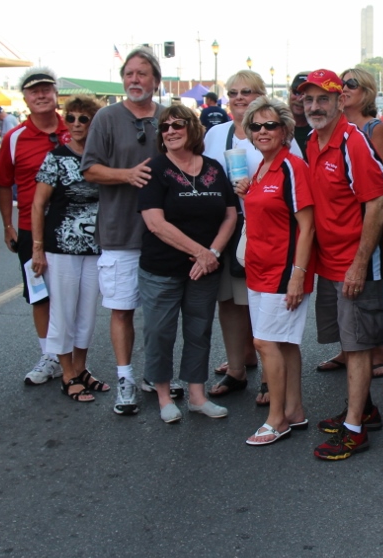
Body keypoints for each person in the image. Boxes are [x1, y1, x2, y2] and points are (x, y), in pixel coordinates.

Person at [301, 68, 383, 461]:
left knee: (357, 346)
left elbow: (377, 204)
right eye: (309, 99)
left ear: (340, 102)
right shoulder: (311, 141)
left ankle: (355, 429)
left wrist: (359, 264)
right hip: (329, 262)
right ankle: (363, 408)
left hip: (356, 262)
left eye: (324, 99)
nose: (315, 106)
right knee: (346, 339)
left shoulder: (353, 143)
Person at [203, 70, 304, 405]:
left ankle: (269, 377)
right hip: (224, 226)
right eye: (232, 92)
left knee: (257, 305)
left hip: (266, 231)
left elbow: (296, 196)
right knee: (229, 302)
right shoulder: (216, 133)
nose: (238, 97)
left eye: (246, 92)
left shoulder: (282, 143)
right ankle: (237, 368)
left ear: (261, 96)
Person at [137, 103, 237, 423]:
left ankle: (196, 395)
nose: (170, 131)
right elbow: (155, 222)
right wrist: (201, 252)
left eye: (177, 124)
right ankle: (165, 395)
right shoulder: (155, 168)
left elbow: (231, 214)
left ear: (192, 129)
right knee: (159, 332)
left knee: (199, 331)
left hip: (205, 269)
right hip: (162, 268)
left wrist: (214, 254)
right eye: (165, 127)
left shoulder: (213, 168)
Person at [81, 47, 164, 414]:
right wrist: (126, 175)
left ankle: (157, 374)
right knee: (122, 309)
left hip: (165, 233)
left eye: (142, 73)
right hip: (120, 231)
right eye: (129, 73)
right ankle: (125, 379)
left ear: (156, 81)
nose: (134, 80)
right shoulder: (106, 118)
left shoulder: (171, 117)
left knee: (162, 311)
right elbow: (89, 169)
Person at [240, 96, 314, 445]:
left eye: (270, 125)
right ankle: (294, 411)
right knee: (283, 344)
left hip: (283, 272)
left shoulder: (290, 166)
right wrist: (247, 191)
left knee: (264, 342)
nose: (262, 131)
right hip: (258, 269)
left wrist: (298, 273)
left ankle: (276, 419)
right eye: (256, 126)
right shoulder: (260, 167)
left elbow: (307, 225)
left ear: (285, 130)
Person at [314, 67, 383, 380]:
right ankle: (347, 350)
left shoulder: (371, 128)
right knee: (339, 299)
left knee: (364, 293)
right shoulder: (331, 127)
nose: (344, 88)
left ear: (366, 91)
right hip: (334, 232)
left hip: (364, 223)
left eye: (351, 83)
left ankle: (376, 352)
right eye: (341, 83)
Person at [30, 94, 108, 403]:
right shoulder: (56, 157)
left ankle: (81, 367)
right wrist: (37, 248)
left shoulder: (102, 158)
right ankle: (66, 374)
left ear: (93, 123)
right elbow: (38, 204)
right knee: (62, 310)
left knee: (87, 312)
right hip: (60, 247)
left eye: (83, 119)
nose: (76, 124)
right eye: (71, 118)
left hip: (95, 246)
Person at [0, 68, 69, 387]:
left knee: (70, 295)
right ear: (24, 97)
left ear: (55, 94)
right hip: (28, 227)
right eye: (34, 91)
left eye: (46, 89)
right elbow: (2, 184)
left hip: (71, 229)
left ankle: (73, 359)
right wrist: (7, 227)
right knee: (39, 294)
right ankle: (48, 355)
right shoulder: (14, 138)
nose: (41, 95)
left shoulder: (76, 129)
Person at [288, 73, 311, 153]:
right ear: (290, 92)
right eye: (296, 92)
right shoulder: (277, 126)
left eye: (305, 94)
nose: (299, 99)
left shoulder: (320, 129)